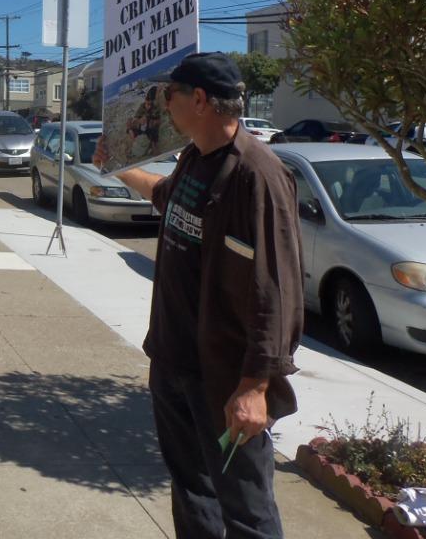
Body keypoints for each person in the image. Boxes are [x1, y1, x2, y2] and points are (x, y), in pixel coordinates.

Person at [94, 52, 304, 539]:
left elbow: (277, 292)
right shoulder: (193, 159)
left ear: (201, 100)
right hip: (173, 360)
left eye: (172, 94)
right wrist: (116, 166)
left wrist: (254, 387)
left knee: (247, 511)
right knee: (192, 491)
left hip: (225, 378)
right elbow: (164, 196)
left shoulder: (258, 176)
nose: (166, 103)